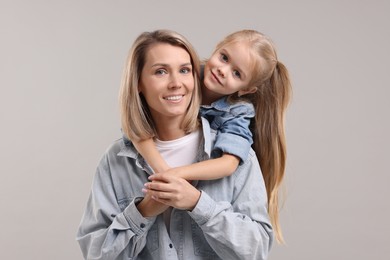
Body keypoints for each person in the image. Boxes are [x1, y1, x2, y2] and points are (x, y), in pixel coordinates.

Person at [76, 29, 273, 260]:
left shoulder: (237, 154)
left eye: (184, 70)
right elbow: (95, 255)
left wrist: (198, 203)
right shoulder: (116, 160)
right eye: (160, 71)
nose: (176, 83)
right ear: (138, 82)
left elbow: (257, 251)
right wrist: (144, 210)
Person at [133, 29, 292, 243]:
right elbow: (136, 126)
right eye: (224, 57)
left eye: (237, 74)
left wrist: (178, 175)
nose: (222, 70)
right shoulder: (183, 75)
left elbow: (228, 164)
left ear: (247, 89)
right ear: (217, 47)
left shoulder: (237, 113)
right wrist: (164, 173)